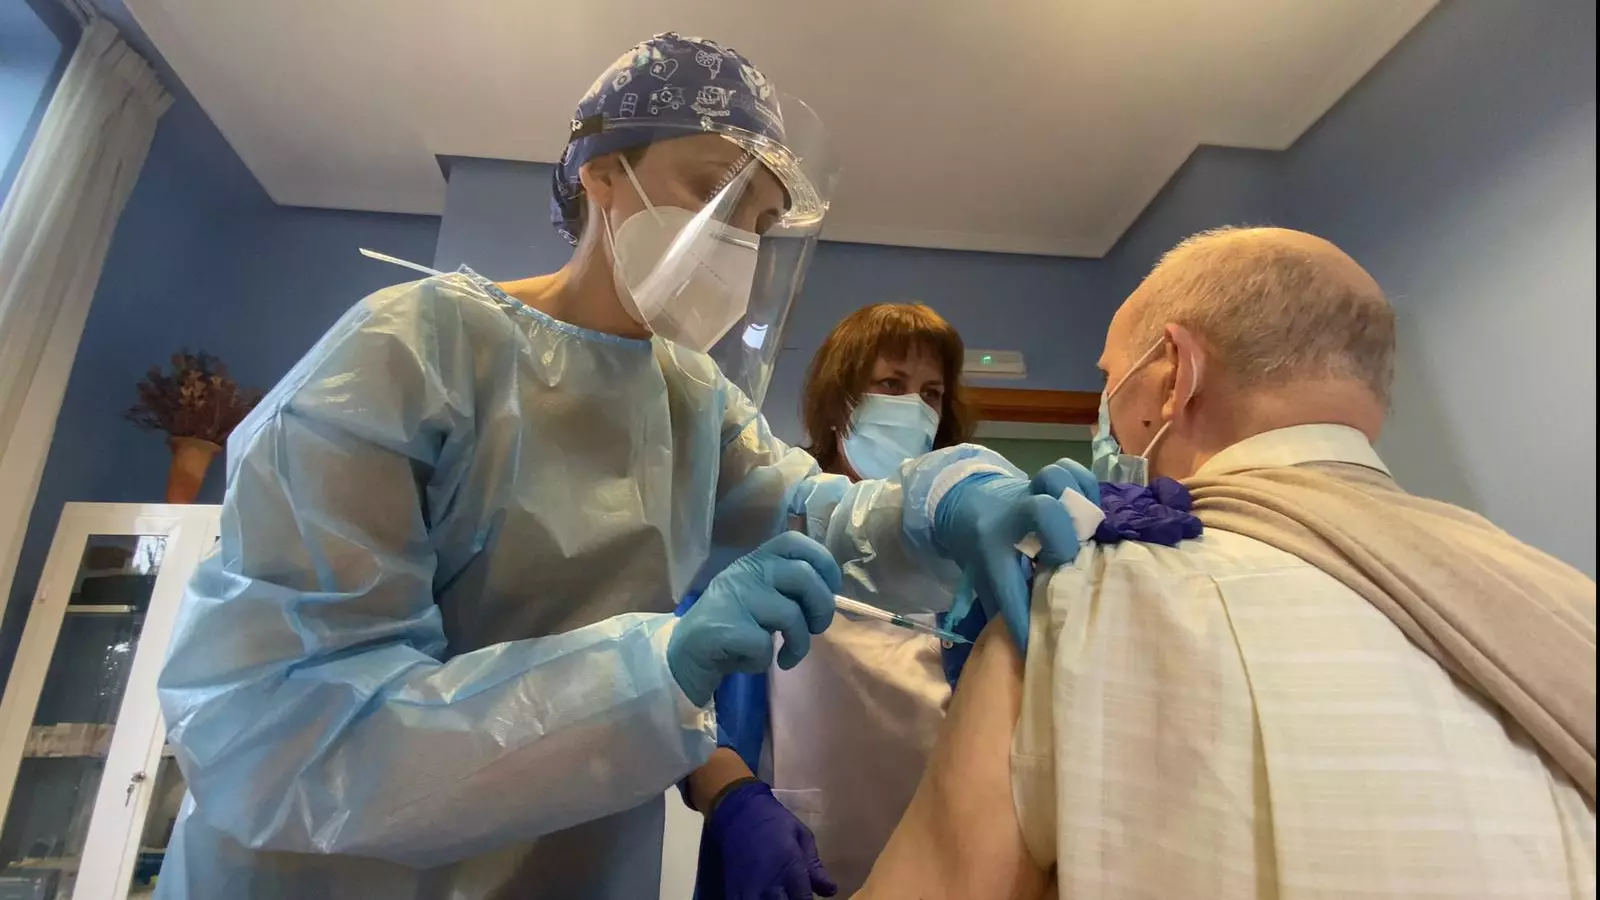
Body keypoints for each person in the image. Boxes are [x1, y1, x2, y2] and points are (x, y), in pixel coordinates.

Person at [151, 34, 1082, 900]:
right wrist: (651, 673)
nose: (737, 241)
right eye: (713, 191)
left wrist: (946, 498)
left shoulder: (691, 398)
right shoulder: (409, 355)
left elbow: (821, 511)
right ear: (602, 171)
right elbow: (286, 733)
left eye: (760, 221)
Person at [853, 226, 1597, 900]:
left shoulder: (1080, 598)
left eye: (1110, 379)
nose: (1104, 412)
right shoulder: (1558, 600)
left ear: (1174, 372)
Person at [683, 302, 977, 899]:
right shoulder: (754, 528)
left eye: (931, 393)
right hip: (783, 861)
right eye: (891, 384)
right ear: (840, 399)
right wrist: (737, 801)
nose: (914, 408)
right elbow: (680, 699)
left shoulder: (957, 561)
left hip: (932, 863)